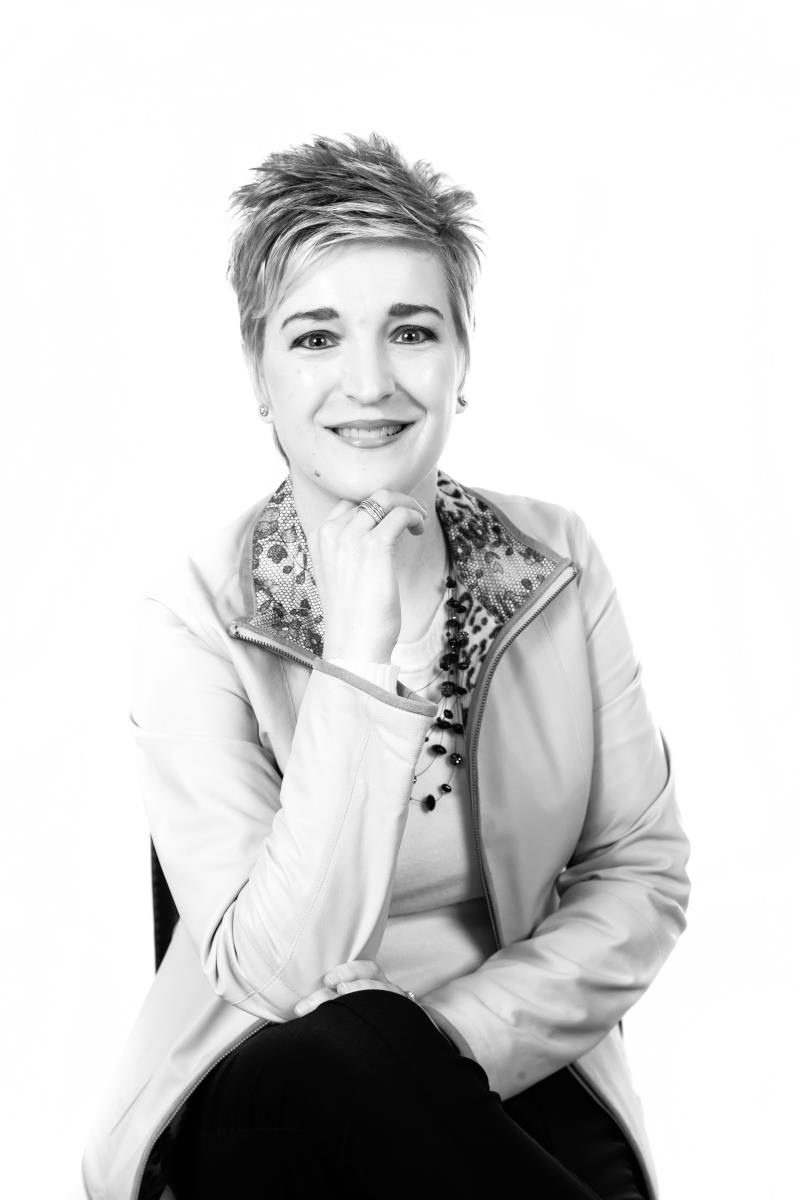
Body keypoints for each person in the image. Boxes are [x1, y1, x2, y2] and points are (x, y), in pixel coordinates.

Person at [81, 132, 690, 1200]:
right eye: (316, 337)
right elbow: (276, 975)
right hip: (263, 1077)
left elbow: (639, 876)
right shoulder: (197, 610)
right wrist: (358, 660)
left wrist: (447, 1035)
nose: (368, 383)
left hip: (505, 1051)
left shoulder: (554, 563)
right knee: (342, 1050)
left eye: (410, 331)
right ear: (259, 374)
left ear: (461, 360)